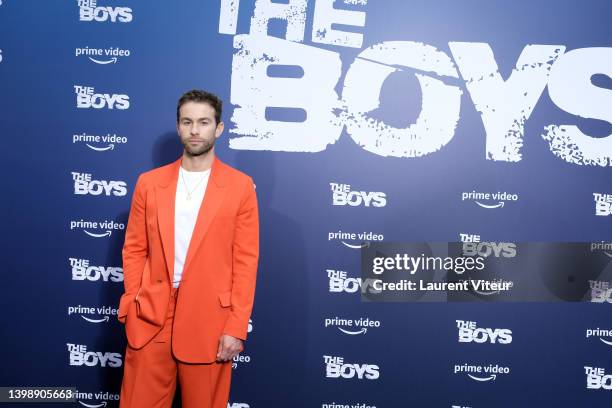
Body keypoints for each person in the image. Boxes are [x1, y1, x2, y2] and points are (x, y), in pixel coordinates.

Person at [117, 90, 259, 408]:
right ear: (179, 127)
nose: (195, 130)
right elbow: (135, 249)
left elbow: (246, 262)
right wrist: (132, 302)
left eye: (204, 122)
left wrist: (236, 326)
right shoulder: (149, 183)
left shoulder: (240, 187)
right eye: (188, 122)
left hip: (210, 320)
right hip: (151, 316)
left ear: (218, 128)